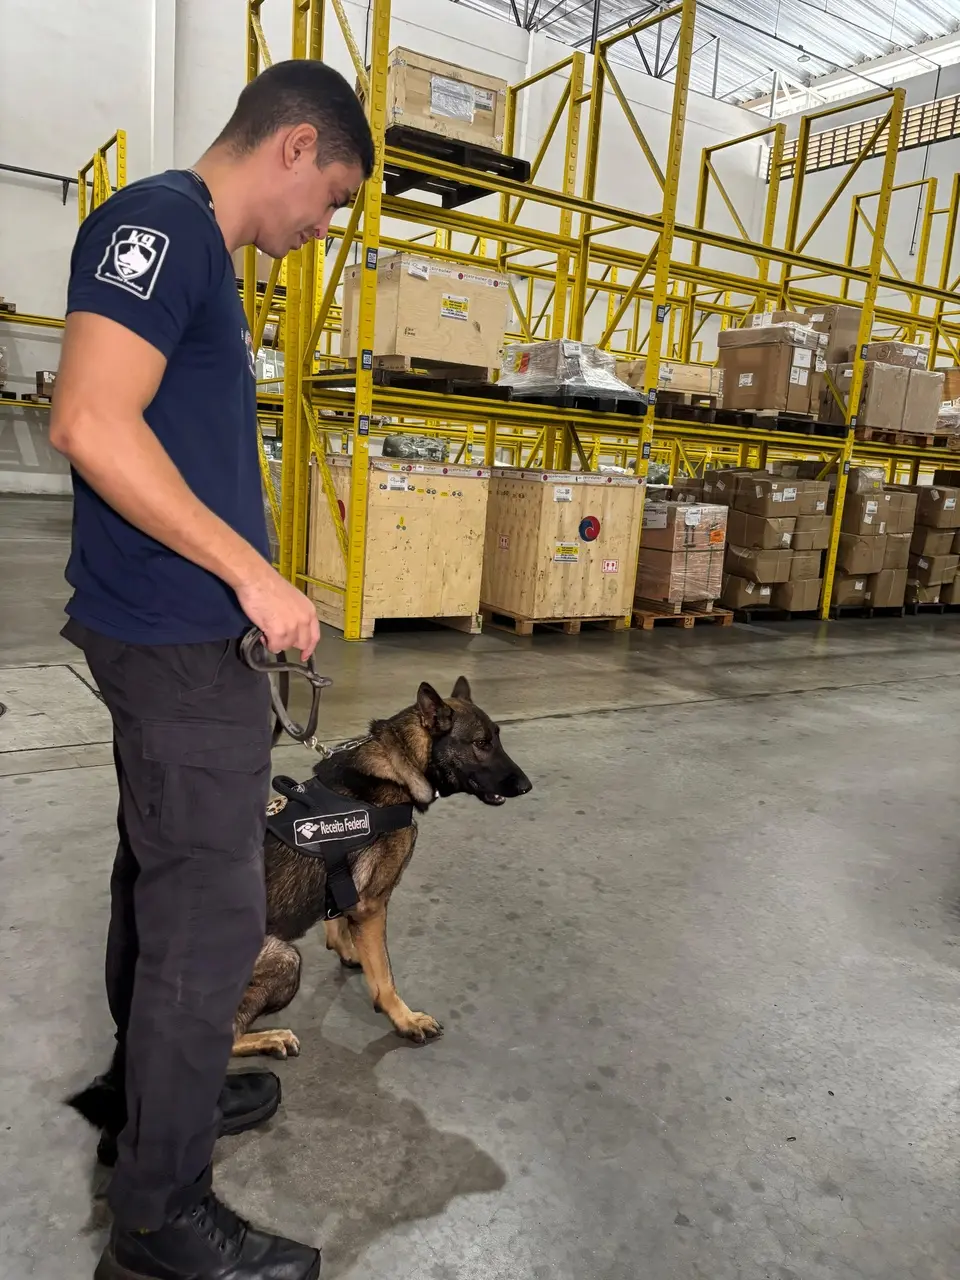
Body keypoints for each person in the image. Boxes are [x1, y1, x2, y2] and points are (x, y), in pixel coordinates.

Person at [50, 59, 373, 1280]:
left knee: (164, 878)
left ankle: (151, 1114)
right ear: (293, 147)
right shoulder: (161, 225)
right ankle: (161, 1216)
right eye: (331, 197)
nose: (320, 227)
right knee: (210, 917)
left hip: (181, 639)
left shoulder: (202, 259)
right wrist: (255, 573)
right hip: (181, 642)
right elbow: (88, 418)